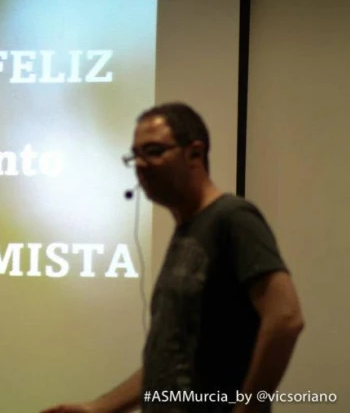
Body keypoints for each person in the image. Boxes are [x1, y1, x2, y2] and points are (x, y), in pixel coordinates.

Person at [40, 102, 304, 413]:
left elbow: (285, 317)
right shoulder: (188, 231)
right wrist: (98, 408)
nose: (141, 164)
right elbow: (170, 363)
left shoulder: (232, 218)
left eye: (153, 151)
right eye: (135, 155)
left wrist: (248, 409)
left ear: (194, 153)